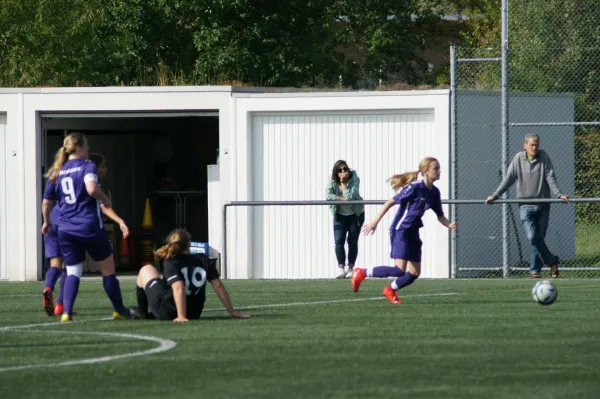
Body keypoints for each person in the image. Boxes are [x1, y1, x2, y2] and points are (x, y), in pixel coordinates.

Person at [41, 132, 132, 322]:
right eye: (87, 146)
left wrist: (47, 221)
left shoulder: (56, 171)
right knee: (108, 269)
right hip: (88, 226)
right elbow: (91, 189)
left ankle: (66, 312)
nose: (88, 149)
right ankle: (118, 309)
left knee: (73, 270)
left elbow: (46, 203)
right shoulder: (87, 166)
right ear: (81, 147)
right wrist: (104, 197)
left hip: (65, 228)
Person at [351, 157, 456, 304]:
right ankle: (361, 272)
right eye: (436, 168)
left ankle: (390, 289)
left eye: (439, 168)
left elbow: (440, 216)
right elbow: (390, 202)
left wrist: (449, 224)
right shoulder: (414, 187)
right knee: (399, 270)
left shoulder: (434, 193)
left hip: (413, 232)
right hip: (401, 230)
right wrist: (374, 222)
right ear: (425, 172)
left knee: (414, 272)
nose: (439, 171)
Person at [485, 133, 569, 278]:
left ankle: (534, 270)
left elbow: (550, 177)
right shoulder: (518, 158)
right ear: (525, 146)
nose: (534, 147)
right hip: (525, 206)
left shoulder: (544, 157)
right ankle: (552, 262)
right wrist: (495, 195)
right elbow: (509, 179)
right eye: (531, 145)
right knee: (532, 237)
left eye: (536, 144)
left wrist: (559, 194)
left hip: (543, 205)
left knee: (539, 238)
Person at [129, 229, 251, 322]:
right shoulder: (203, 259)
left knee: (146, 269)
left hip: (167, 312)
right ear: (189, 244)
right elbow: (218, 285)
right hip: (194, 312)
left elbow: (179, 287)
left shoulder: (171, 261)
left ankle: (142, 311)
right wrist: (232, 311)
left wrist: (181, 316)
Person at [325, 160, 365, 279]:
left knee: (352, 242)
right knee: (339, 242)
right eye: (340, 170)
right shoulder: (332, 182)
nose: (343, 172)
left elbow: (350, 196)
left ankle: (350, 268)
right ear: (336, 172)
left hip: (355, 214)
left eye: (345, 169)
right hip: (340, 216)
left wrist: (343, 183)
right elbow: (327, 196)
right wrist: (341, 198)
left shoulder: (355, 179)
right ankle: (341, 268)